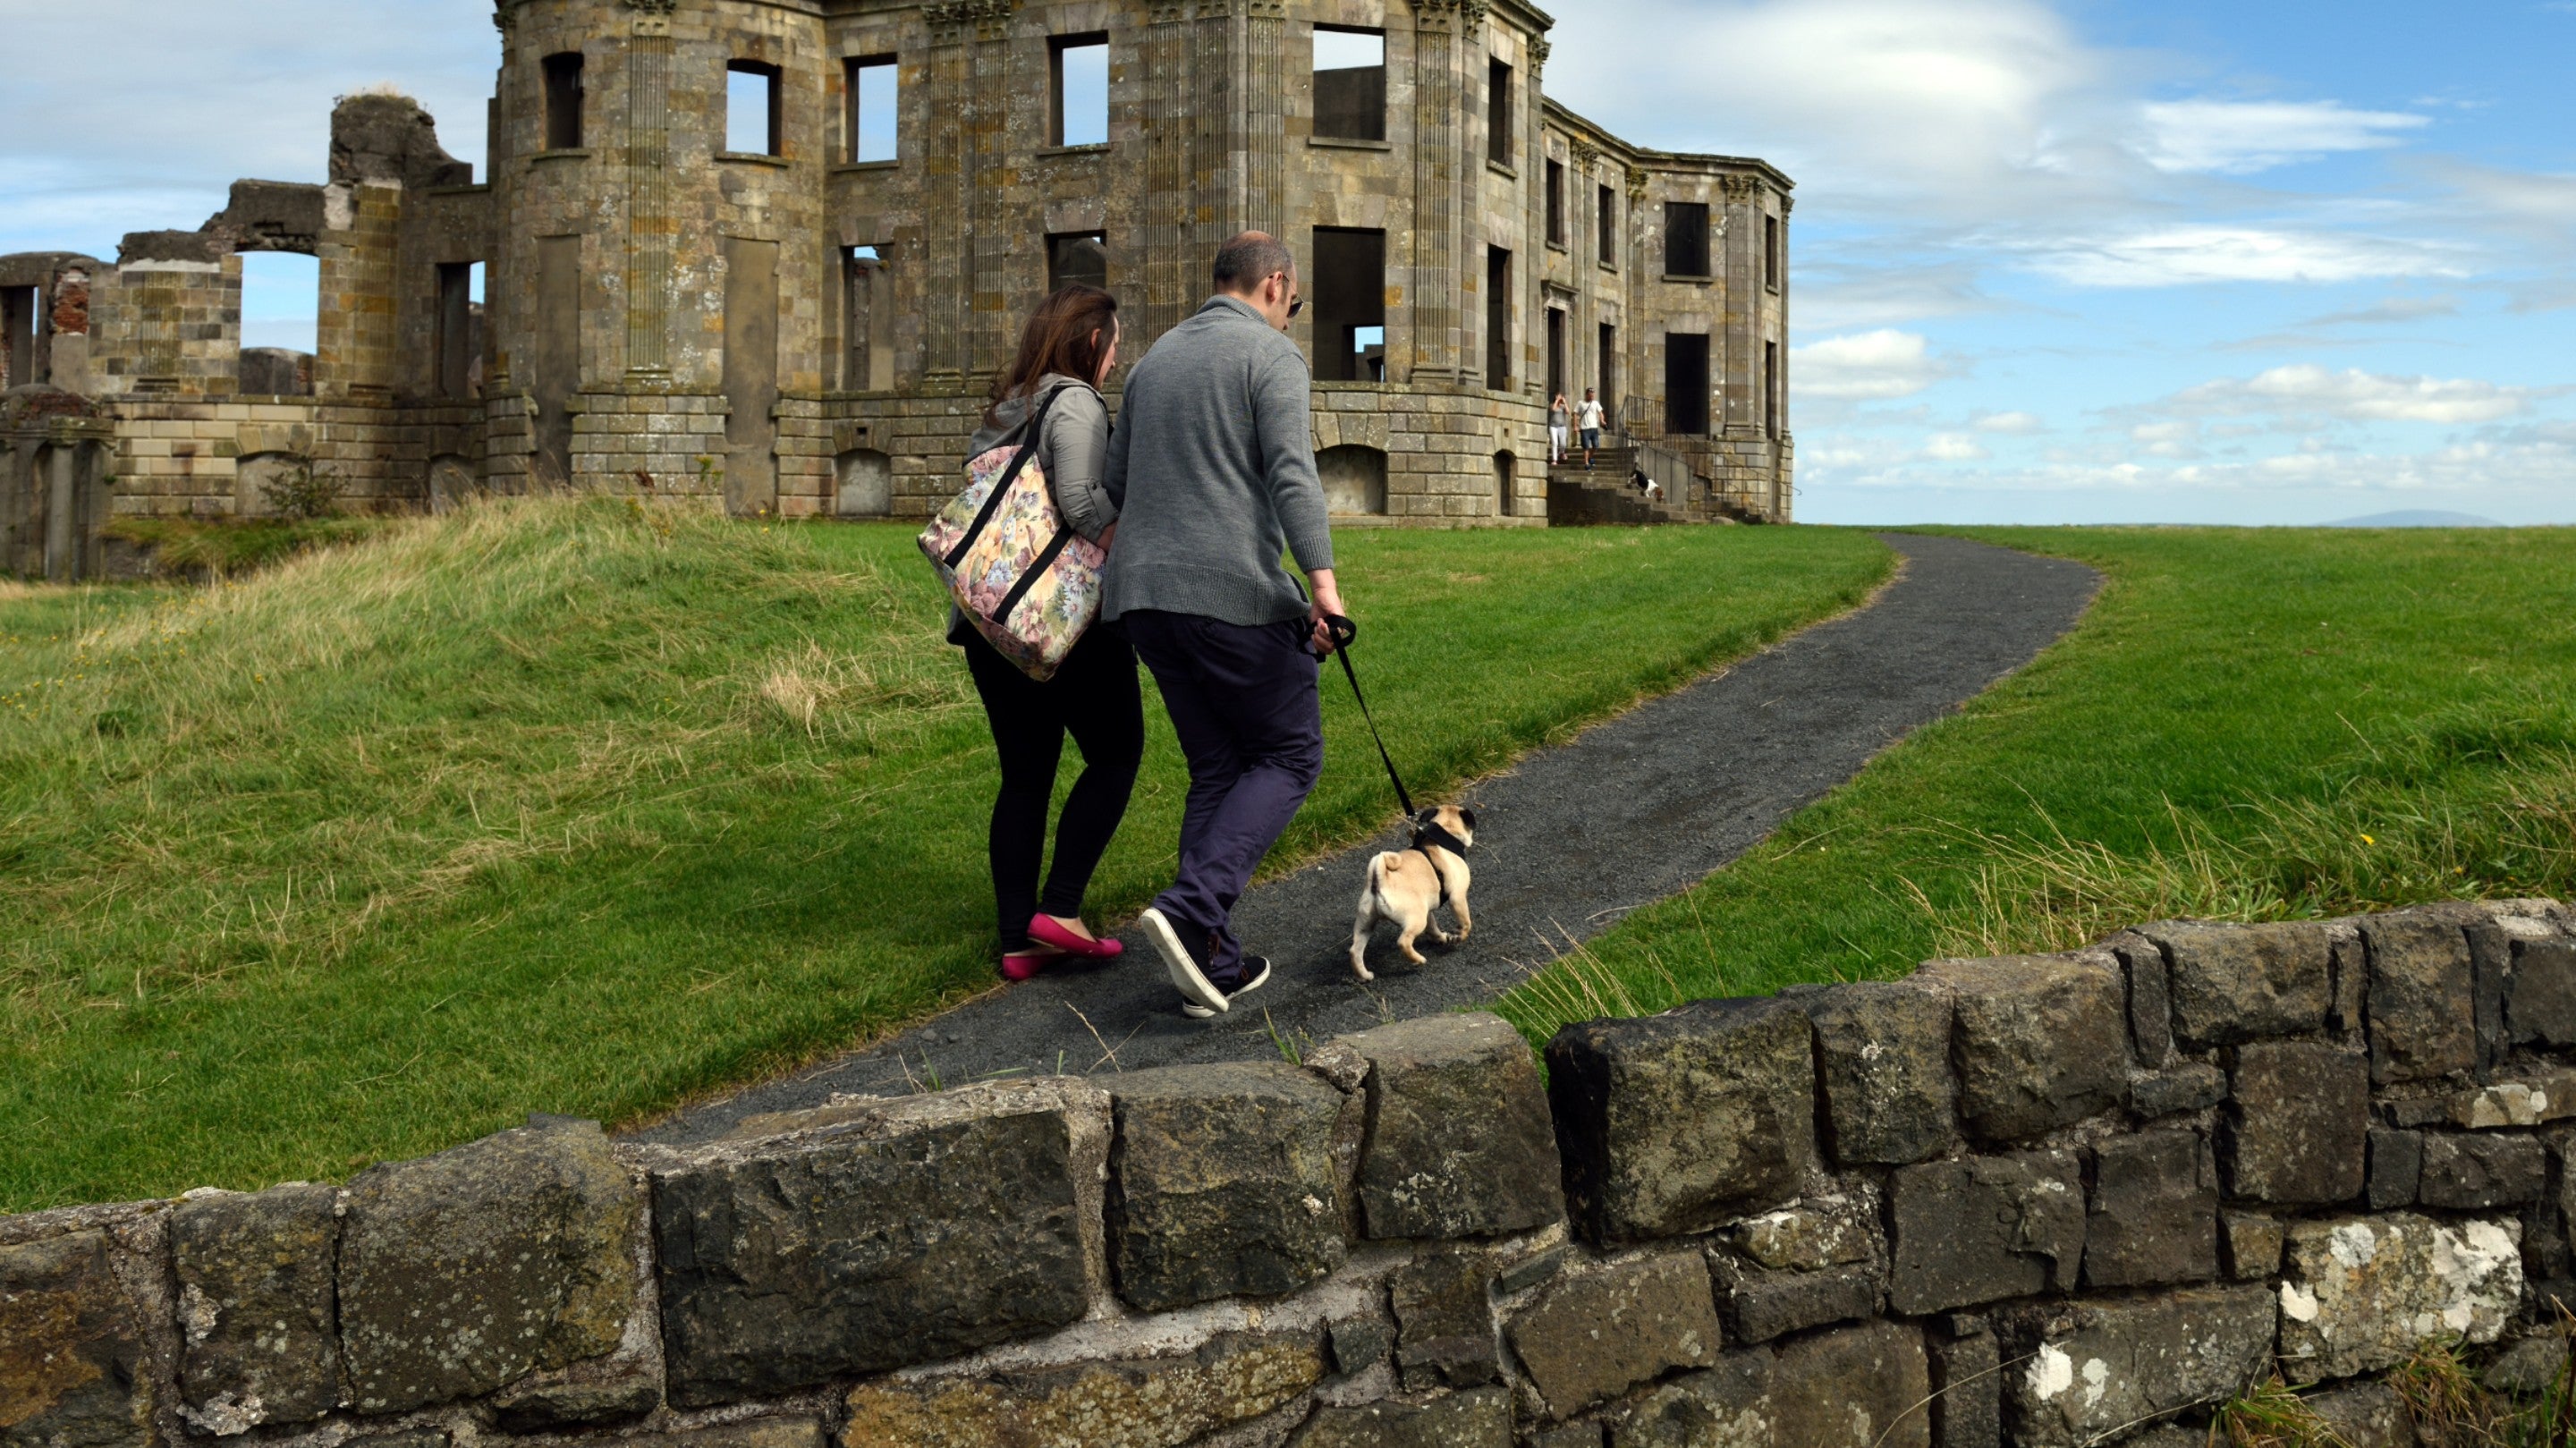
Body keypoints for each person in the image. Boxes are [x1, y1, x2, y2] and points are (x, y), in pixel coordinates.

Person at [1101, 232, 1344, 1019]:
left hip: (1141, 601)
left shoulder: (1152, 363)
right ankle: (1190, 907)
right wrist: (1324, 587)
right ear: (1275, 284)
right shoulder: (1270, 358)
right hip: (1226, 596)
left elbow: (1113, 484)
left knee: (1217, 766)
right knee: (1290, 752)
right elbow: (1292, 476)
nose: (1291, 319)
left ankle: (1212, 960)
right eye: (1295, 305)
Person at [953, 284, 1143, 983]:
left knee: (1025, 773)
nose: (1117, 361)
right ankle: (1059, 908)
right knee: (1118, 752)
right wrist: (1139, 534)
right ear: (1093, 342)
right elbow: (1083, 503)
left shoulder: (1008, 404)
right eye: (1116, 345)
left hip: (988, 621)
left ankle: (1016, 938)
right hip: (1060, 622)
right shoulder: (1075, 401)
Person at [1577, 388, 1606, 470]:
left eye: (1593, 395)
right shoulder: (1580, 403)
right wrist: (1576, 425)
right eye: (1590, 395)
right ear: (1587, 395)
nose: (1592, 396)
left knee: (1596, 446)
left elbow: (1600, 413)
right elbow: (1575, 413)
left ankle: (1590, 457)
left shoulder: (1595, 403)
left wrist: (1602, 420)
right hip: (1584, 428)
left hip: (1594, 427)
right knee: (1586, 447)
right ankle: (1586, 463)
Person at [1548, 393, 1571, 466]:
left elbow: (1568, 412)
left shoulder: (1562, 406)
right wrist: (1557, 401)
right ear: (1556, 396)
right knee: (1555, 443)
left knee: (1563, 443)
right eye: (1559, 396)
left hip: (1562, 426)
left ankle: (1561, 452)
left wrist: (1565, 403)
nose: (1560, 397)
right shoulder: (1552, 404)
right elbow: (1554, 409)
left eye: (1561, 396)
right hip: (1553, 426)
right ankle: (1554, 459)